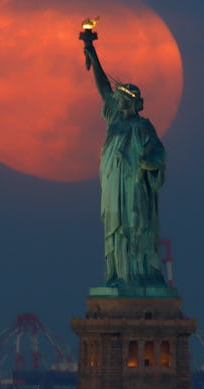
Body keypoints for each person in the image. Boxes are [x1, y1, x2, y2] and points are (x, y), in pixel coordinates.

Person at [83, 34, 167, 289]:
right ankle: (117, 275)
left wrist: (146, 163)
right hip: (112, 186)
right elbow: (103, 88)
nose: (116, 101)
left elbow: (158, 154)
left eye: (121, 99)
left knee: (134, 226)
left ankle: (137, 275)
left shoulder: (143, 127)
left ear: (130, 102)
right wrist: (91, 51)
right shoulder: (115, 122)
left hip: (133, 187)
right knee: (115, 230)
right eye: (117, 99)